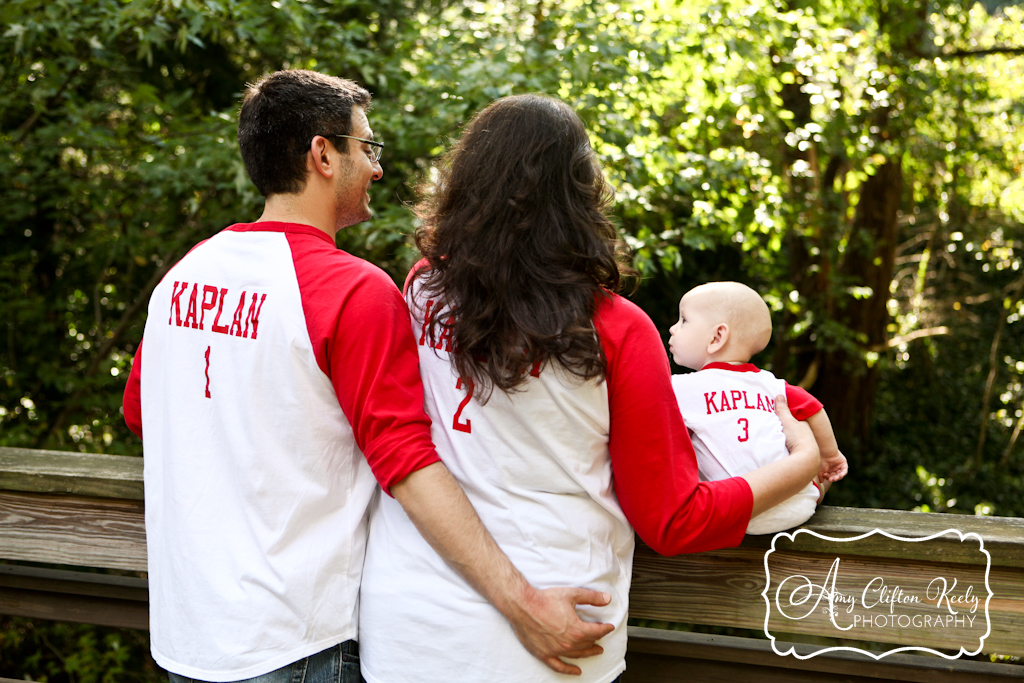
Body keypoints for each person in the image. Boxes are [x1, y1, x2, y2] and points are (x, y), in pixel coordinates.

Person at [122, 71, 612, 683]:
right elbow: (406, 463)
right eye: (368, 148)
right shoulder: (352, 289)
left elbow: (146, 413)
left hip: (190, 636)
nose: (377, 169)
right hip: (299, 642)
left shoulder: (187, 273)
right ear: (323, 154)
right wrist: (525, 603)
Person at [357, 94, 821, 683]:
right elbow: (673, 519)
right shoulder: (619, 329)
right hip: (557, 634)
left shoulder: (426, 289)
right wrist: (802, 461)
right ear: (581, 192)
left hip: (412, 627)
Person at [668, 281, 848, 534]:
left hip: (734, 509)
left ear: (717, 337)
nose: (673, 328)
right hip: (801, 503)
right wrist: (830, 455)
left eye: (684, 320)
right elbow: (813, 408)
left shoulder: (679, 388)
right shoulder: (771, 384)